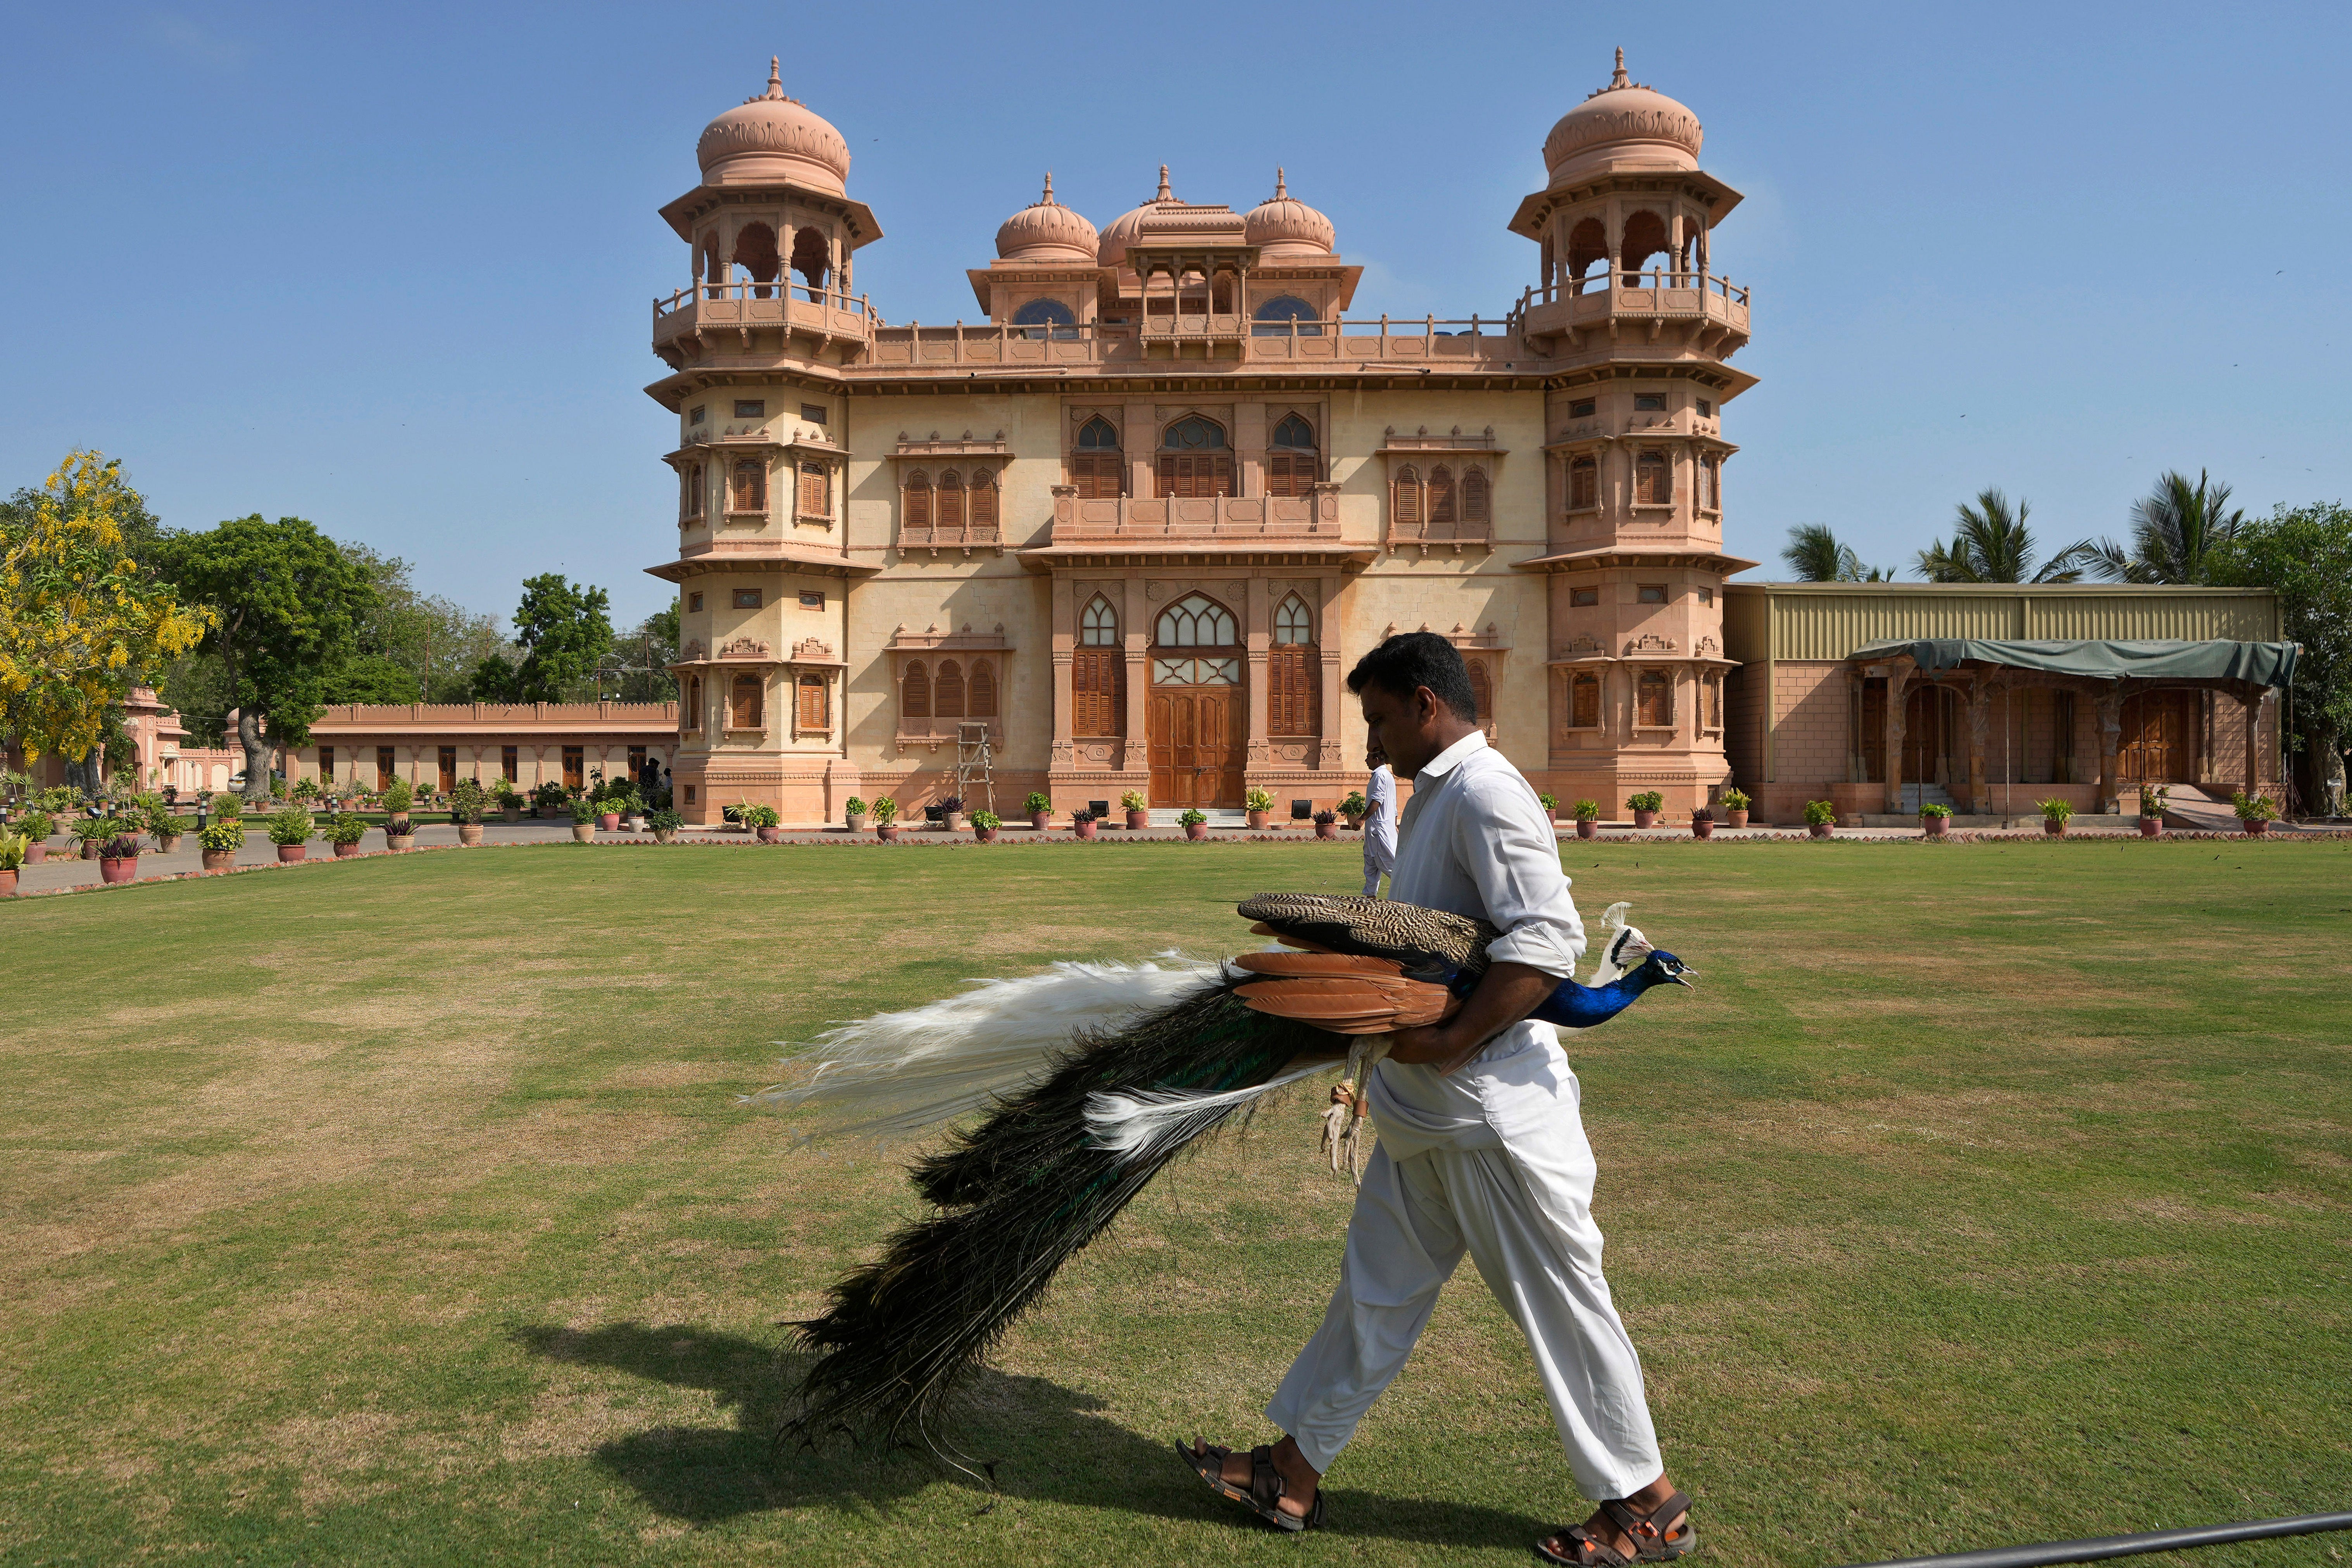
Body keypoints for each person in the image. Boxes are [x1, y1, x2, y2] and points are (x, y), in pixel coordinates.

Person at [1184, 632, 1691, 1565]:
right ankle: (1289, 1472)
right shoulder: (1436, 796)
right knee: (1371, 1295)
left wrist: (1452, 1041)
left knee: (1560, 1305)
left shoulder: (1487, 790)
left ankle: (1645, 1503)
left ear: (1425, 703)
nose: (1370, 740)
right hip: (1427, 1113)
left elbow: (1543, 941)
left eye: (1378, 717)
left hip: (1492, 1117)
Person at [1361, 742, 1396, 899]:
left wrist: (1362, 819)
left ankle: (1411, 894)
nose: (1366, 761)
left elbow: (1377, 801)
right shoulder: (1383, 776)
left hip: (1379, 830)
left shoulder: (1382, 776)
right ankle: (1369, 898)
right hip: (1375, 829)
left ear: (1377, 759)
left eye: (1368, 758)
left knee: (1389, 866)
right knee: (1370, 864)